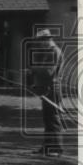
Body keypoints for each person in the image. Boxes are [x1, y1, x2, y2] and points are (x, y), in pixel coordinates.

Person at [30, 29, 64, 157]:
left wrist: (33, 68)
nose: (39, 44)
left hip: (53, 89)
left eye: (40, 41)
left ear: (47, 40)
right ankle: (47, 147)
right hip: (47, 89)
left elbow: (48, 72)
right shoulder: (49, 52)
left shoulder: (54, 52)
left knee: (53, 119)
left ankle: (57, 149)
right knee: (47, 119)